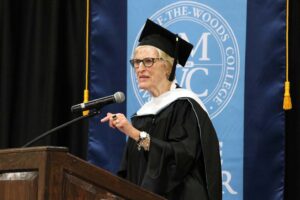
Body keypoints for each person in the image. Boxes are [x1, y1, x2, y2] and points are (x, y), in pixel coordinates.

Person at [101, 19, 222, 200]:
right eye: (136, 62)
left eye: (148, 61)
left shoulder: (185, 106)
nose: (140, 69)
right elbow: (130, 171)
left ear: (167, 67)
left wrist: (135, 134)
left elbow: (180, 158)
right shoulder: (142, 115)